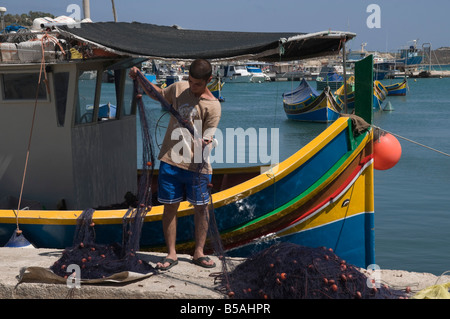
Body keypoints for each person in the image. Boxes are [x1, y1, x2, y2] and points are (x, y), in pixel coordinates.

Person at [129, 59, 221, 270]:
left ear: (209, 81)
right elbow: (157, 94)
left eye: (198, 84)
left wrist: (204, 142)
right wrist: (141, 77)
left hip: (197, 167)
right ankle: (171, 253)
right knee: (170, 207)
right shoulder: (179, 88)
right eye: (190, 81)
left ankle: (199, 252)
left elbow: (208, 137)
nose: (192, 87)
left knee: (201, 209)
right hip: (171, 160)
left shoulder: (213, 106)